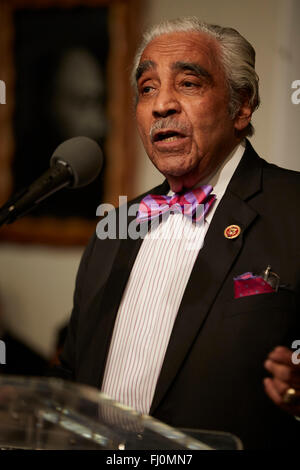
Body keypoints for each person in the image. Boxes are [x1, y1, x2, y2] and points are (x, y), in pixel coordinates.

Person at [54, 17, 300, 449]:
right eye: (147, 88)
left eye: (188, 83)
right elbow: (72, 374)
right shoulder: (114, 228)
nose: (161, 104)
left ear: (241, 105)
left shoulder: (293, 208)